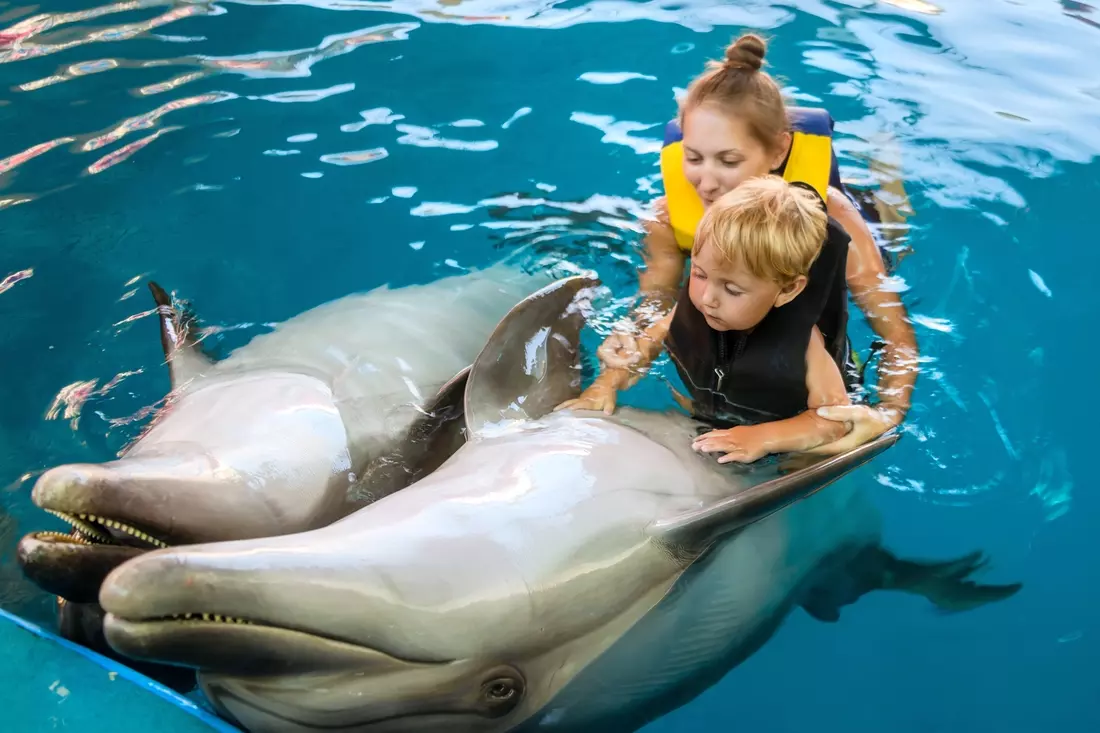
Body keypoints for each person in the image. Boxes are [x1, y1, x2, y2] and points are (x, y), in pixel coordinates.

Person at [599, 33, 917, 453]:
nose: (706, 183)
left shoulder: (830, 217)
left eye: (729, 161)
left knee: (896, 230)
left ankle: (886, 168)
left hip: (852, 217)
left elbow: (896, 336)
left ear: (777, 150)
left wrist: (887, 411)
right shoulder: (667, 217)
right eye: (693, 158)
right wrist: (629, 336)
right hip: (739, 296)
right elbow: (657, 298)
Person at [557, 176, 851, 464]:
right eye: (699, 274)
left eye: (732, 289)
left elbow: (835, 420)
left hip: (769, 427)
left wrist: (763, 437)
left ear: (787, 290)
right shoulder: (696, 306)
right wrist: (605, 385)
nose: (707, 297)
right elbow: (645, 346)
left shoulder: (806, 344)